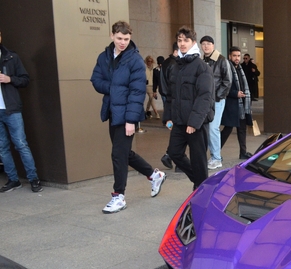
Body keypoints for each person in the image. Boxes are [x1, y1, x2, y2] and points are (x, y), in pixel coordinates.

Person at [91, 21, 166, 214]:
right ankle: (154, 175)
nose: (123, 42)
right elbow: (96, 80)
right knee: (124, 153)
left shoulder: (135, 60)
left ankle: (118, 196)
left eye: (126, 39)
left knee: (118, 154)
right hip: (111, 112)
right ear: (112, 36)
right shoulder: (104, 56)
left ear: (130, 38)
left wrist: (131, 121)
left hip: (127, 115)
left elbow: (137, 92)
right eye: (119, 38)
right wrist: (113, 88)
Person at [164, 26, 215, 190]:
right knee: (174, 153)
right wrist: (168, 117)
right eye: (179, 40)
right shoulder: (176, 66)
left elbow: (205, 96)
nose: (182, 43)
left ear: (193, 42)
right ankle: (200, 182)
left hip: (196, 123)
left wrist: (194, 122)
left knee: (198, 160)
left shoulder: (202, 67)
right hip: (179, 121)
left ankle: (201, 189)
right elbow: (171, 95)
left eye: (186, 40)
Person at [0, 30, 43, 193]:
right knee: (2, 147)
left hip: (11, 109)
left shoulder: (11, 57)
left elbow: (25, 79)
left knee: (21, 144)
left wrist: (9, 79)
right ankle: (13, 180)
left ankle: (33, 179)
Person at [200, 35, 231, 170]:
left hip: (217, 101)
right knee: (207, 129)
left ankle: (217, 158)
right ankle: (213, 156)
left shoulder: (221, 60)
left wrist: (217, 97)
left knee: (213, 128)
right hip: (205, 100)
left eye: (208, 43)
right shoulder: (202, 61)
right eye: (203, 44)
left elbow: (227, 81)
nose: (206, 46)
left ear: (213, 45)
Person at [221, 46, 253, 159]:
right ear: (230, 56)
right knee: (227, 129)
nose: (237, 58)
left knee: (242, 129)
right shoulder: (227, 68)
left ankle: (243, 152)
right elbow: (223, 86)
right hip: (231, 104)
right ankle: (215, 152)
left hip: (241, 105)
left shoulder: (240, 68)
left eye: (238, 56)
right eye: (234, 56)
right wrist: (235, 94)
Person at [159, 43, 179, 170]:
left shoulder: (166, 62)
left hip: (168, 99)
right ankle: (171, 155)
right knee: (178, 131)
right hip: (173, 100)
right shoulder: (174, 64)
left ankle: (170, 155)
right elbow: (174, 85)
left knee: (176, 130)